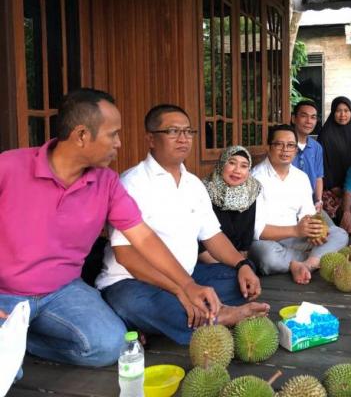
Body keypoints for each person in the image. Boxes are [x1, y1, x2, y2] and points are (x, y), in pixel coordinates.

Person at [0, 89, 220, 368]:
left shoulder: (107, 182)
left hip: (63, 291)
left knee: (113, 346)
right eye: (112, 134)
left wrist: (187, 285)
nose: (119, 143)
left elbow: (142, 236)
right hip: (5, 292)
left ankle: (25, 341)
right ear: (81, 135)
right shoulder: (9, 166)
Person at [97, 105, 268, 345]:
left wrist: (242, 265)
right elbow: (127, 257)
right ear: (151, 139)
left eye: (188, 132)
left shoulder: (194, 185)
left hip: (188, 275)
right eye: (173, 131)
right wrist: (181, 288)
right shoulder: (132, 183)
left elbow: (213, 236)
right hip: (135, 281)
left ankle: (175, 319)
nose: (183, 138)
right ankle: (218, 317)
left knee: (238, 281)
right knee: (133, 302)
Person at [249, 124, 349, 284]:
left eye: (290, 145)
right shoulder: (254, 179)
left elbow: (307, 215)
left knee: (339, 234)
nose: (285, 150)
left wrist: (314, 232)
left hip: (298, 239)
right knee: (266, 256)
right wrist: (296, 230)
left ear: (296, 150)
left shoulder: (301, 177)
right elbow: (257, 231)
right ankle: (318, 258)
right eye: (279, 144)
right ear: (268, 147)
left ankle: (306, 265)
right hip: (269, 242)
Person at [200, 145, 261, 262]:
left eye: (244, 166)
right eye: (232, 163)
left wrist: (239, 263)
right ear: (222, 164)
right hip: (208, 257)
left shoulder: (251, 190)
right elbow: (200, 241)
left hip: (237, 258)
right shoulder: (204, 189)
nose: (237, 170)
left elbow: (246, 238)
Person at [317, 96, 351, 218]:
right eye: (338, 111)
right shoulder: (326, 133)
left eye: (346, 111)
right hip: (332, 189)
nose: (342, 114)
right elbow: (322, 162)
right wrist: (332, 186)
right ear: (333, 112)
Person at [291, 100, 324, 208]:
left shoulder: (317, 147)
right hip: (288, 203)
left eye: (313, 117)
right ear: (293, 119)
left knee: (330, 225)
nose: (309, 121)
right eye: (304, 116)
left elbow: (318, 177)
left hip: (309, 204)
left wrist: (318, 201)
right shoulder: (285, 145)